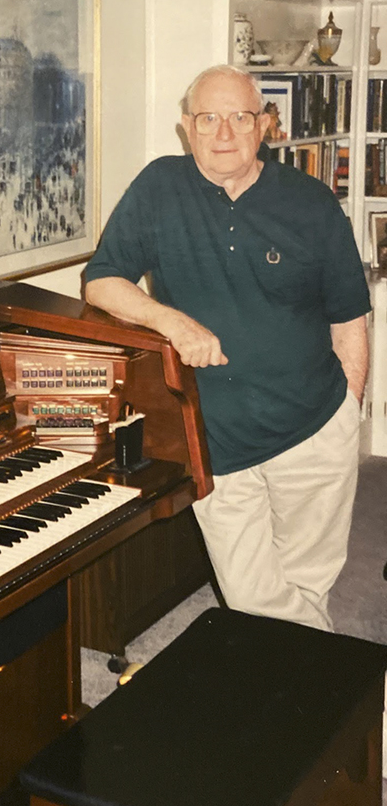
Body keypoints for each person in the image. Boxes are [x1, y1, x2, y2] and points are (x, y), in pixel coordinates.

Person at [84, 64, 370, 631]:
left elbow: (350, 321)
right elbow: (101, 281)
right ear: (186, 128)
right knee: (249, 595)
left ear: (263, 125)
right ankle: (328, 690)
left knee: (310, 578)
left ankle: (300, 705)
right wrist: (173, 323)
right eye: (208, 118)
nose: (223, 134)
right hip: (216, 439)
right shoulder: (159, 187)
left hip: (314, 429)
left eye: (240, 117)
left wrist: (348, 415)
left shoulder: (311, 202)